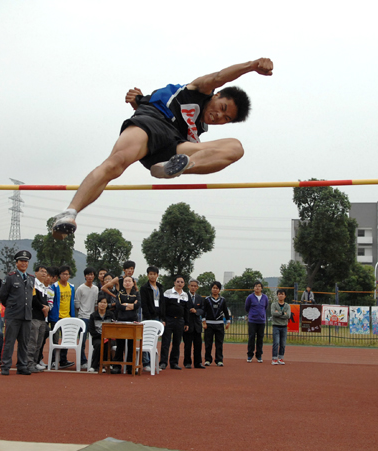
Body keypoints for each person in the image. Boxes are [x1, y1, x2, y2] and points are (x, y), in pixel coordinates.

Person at [51, 58, 274, 239]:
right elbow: (218, 77)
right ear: (216, 95)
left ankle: (177, 167)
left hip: (176, 147)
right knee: (115, 164)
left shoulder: (198, 130)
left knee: (236, 148)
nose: (219, 116)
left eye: (226, 118)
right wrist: (252, 66)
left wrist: (138, 100)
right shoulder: (199, 90)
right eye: (222, 108)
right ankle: (69, 214)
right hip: (153, 123)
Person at [0, 250, 35, 376]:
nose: (24, 263)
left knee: (24, 342)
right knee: (9, 341)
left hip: (26, 315)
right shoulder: (10, 277)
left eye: (26, 261)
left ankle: (22, 365)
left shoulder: (31, 279)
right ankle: (5, 365)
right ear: (17, 263)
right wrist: (11, 307)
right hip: (13, 314)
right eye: (21, 261)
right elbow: (3, 296)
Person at [47, 265, 76, 369]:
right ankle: (53, 360)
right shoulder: (54, 287)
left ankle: (63, 360)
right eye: (63, 274)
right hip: (56, 317)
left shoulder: (71, 287)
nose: (65, 276)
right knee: (55, 340)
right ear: (59, 275)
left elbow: (72, 302)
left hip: (67, 317)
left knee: (66, 339)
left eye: (67, 274)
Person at [159, 276, 190, 370]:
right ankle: (163, 362)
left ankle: (174, 363)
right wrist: (163, 319)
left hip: (180, 321)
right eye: (178, 281)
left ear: (184, 284)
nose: (179, 283)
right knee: (166, 342)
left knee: (177, 343)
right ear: (174, 283)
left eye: (182, 282)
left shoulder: (185, 295)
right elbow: (163, 307)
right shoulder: (168, 293)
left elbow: (186, 310)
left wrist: (186, 323)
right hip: (169, 320)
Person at [112, 276, 141, 374]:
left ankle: (130, 366)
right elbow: (118, 306)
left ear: (133, 283)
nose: (127, 283)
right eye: (125, 281)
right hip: (121, 321)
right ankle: (117, 366)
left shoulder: (136, 294)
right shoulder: (120, 294)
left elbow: (137, 306)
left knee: (131, 345)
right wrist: (131, 305)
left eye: (129, 281)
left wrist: (126, 305)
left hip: (133, 321)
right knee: (120, 344)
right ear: (123, 283)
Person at [26, 265, 50, 373]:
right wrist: (43, 308)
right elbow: (33, 299)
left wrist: (47, 308)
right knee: (32, 341)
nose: (44, 274)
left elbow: (45, 302)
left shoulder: (44, 287)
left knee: (39, 343)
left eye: (45, 272)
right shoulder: (33, 284)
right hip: (34, 317)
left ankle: (35, 362)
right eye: (41, 271)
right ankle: (28, 363)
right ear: (36, 273)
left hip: (42, 319)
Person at [140, 266, 163, 371]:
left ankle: (153, 362)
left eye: (154, 274)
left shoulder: (160, 287)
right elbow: (144, 304)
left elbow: (163, 303)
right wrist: (148, 317)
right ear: (147, 275)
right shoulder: (144, 288)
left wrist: (162, 318)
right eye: (150, 274)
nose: (152, 276)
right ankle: (146, 363)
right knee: (146, 339)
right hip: (148, 317)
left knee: (154, 340)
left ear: (157, 275)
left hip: (158, 317)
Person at [202, 281, 231, 366]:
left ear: (219, 290)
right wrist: (204, 322)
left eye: (217, 288)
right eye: (213, 288)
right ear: (211, 289)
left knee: (219, 343)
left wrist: (228, 322)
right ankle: (208, 360)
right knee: (208, 343)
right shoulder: (207, 299)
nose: (215, 290)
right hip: (209, 324)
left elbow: (226, 311)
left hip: (219, 324)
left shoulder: (222, 300)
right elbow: (204, 311)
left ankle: (219, 360)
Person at [75, 267, 99, 368]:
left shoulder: (96, 288)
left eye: (92, 274)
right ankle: (82, 361)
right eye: (88, 275)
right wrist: (82, 313)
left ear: (94, 276)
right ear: (85, 276)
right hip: (83, 318)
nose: (90, 276)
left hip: (93, 318)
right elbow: (77, 303)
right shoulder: (80, 288)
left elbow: (96, 303)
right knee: (82, 341)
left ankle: (94, 361)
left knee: (95, 341)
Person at [88, 293, 116, 373]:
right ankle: (95, 366)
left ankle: (105, 364)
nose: (102, 304)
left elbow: (114, 327)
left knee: (108, 344)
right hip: (98, 337)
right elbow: (92, 330)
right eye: (101, 302)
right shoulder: (93, 316)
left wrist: (107, 336)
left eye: (105, 303)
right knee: (99, 344)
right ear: (98, 304)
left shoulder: (111, 315)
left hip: (109, 337)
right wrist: (102, 336)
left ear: (107, 304)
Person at [183, 279, 205, 369]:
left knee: (198, 345)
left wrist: (196, 311)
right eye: (191, 285)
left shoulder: (200, 298)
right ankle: (187, 362)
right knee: (187, 345)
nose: (193, 287)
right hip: (187, 324)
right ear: (188, 286)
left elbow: (203, 310)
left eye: (195, 286)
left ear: (197, 287)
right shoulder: (184, 296)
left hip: (197, 325)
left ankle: (198, 363)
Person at [245, 281, 269, 363]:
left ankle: (259, 355)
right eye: (255, 286)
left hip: (261, 321)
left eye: (259, 286)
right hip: (252, 321)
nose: (257, 288)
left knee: (260, 338)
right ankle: (249, 355)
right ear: (253, 288)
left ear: (262, 288)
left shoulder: (265, 297)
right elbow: (246, 307)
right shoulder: (250, 297)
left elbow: (265, 307)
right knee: (251, 338)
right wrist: (252, 314)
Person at [271, 289, 291, 365]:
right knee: (276, 342)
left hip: (284, 326)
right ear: (277, 295)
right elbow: (273, 313)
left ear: (285, 296)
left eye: (282, 294)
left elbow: (288, 315)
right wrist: (283, 313)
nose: (281, 295)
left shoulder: (287, 305)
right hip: (276, 326)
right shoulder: (274, 304)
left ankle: (281, 358)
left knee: (283, 343)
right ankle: (274, 359)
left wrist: (278, 313)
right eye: (279, 294)